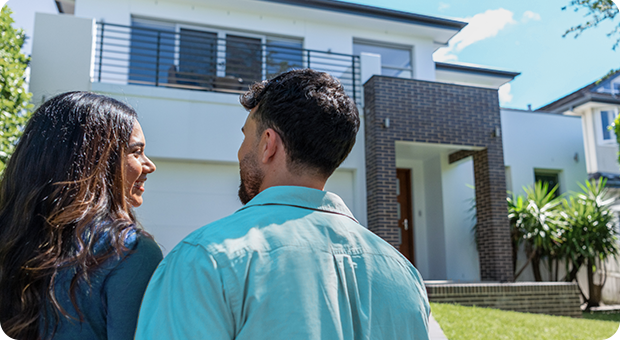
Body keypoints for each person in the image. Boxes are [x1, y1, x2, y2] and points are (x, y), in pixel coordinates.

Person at [135, 69, 430, 339]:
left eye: (245, 137)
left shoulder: (204, 259)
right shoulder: (404, 272)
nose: (240, 152)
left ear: (268, 144)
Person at [0, 92, 162, 340]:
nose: (149, 165)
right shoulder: (130, 251)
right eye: (136, 152)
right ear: (96, 162)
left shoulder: (12, 237)